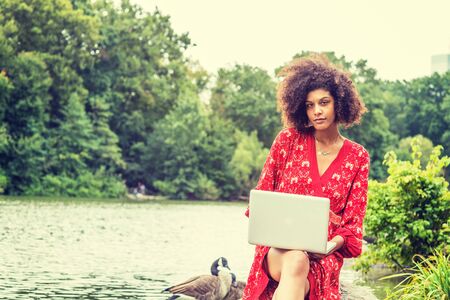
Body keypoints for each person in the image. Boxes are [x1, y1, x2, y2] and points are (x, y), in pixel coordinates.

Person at [242, 54, 370, 300]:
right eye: (310, 105)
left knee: (299, 261)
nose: (317, 111)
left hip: (323, 258)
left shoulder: (357, 157)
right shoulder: (287, 141)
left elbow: (352, 227)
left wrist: (328, 247)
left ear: (339, 103)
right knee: (295, 258)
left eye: (324, 102)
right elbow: (261, 201)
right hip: (276, 251)